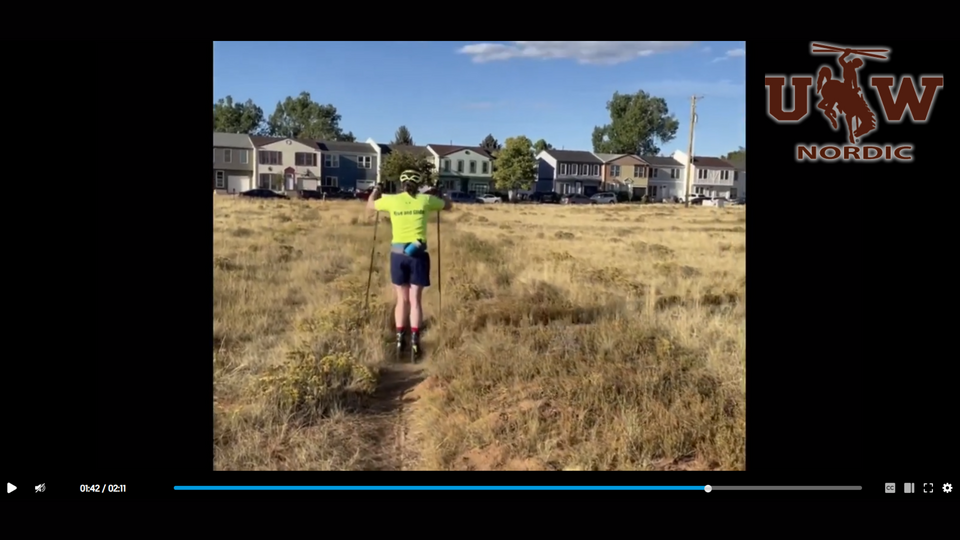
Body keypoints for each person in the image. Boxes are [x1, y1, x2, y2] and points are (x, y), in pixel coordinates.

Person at [366, 169, 452, 359]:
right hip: (418, 254)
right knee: (415, 300)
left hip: (398, 255)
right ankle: (414, 341)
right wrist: (440, 192)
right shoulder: (426, 200)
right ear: (418, 184)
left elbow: (370, 205)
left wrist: (377, 190)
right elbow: (448, 205)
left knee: (401, 299)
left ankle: (399, 339)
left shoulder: (392, 200)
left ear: (402, 184)